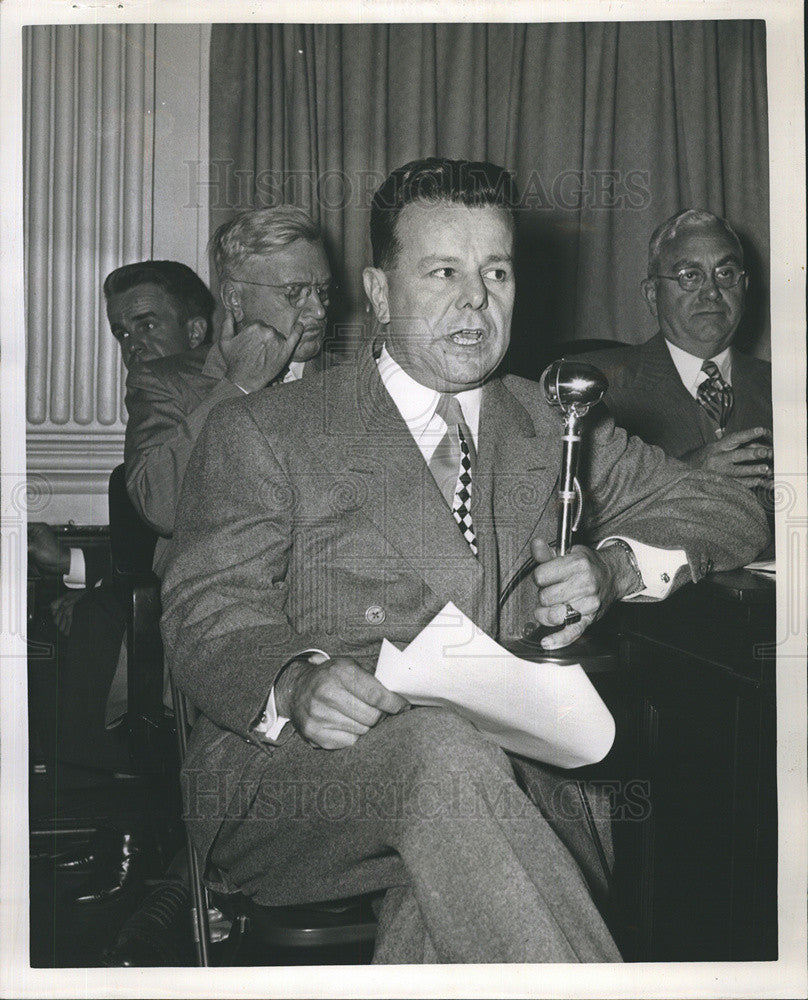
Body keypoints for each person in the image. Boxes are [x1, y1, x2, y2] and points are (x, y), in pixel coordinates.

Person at [160, 159, 769, 964]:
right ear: (379, 294)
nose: (475, 301)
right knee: (443, 755)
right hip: (304, 772)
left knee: (449, 882)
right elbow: (207, 606)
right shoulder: (271, 430)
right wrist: (295, 678)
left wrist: (617, 568)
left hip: (523, 785)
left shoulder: (554, 420)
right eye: (442, 271)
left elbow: (727, 507)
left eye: (496, 271)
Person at [27, 261, 216, 904]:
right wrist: (74, 569)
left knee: (99, 618)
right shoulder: (151, 437)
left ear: (197, 329)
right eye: (119, 332)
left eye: (146, 323)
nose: (131, 344)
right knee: (59, 615)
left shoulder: (233, 408)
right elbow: (154, 545)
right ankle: (120, 828)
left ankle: (129, 836)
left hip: (215, 608)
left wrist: (99, 593)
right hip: (154, 599)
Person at [123, 206, 333, 578]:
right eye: (295, 292)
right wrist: (238, 386)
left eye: (322, 292)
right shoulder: (166, 382)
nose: (316, 310)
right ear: (235, 299)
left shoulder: (353, 379)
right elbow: (160, 509)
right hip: (221, 601)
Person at [576, 210, 773, 494]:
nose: (712, 292)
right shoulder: (594, 386)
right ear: (652, 294)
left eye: (726, 273)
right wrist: (686, 473)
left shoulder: (785, 388)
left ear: (744, 287)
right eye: (690, 276)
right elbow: (570, 509)